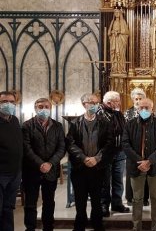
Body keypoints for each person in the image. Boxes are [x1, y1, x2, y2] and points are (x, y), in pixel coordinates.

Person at [66, 93, 113, 231]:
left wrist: (96, 158)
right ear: (84, 104)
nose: (94, 105)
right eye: (90, 102)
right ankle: (80, 226)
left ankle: (97, 225)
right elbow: (70, 144)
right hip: (80, 167)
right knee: (80, 200)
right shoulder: (75, 123)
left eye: (96, 102)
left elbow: (109, 144)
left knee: (97, 200)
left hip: (97, 168)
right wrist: (83, 157)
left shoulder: (105, 122)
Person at [122, 98, 156, 231]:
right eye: (141, 107)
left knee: (155, 198)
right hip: (136, 167)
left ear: (152, 109)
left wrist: (150, 160)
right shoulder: (129, 124)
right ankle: (136, 226)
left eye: (147, 107)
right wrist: (139, 161)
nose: (144, 110)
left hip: (155, 167)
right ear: (137, 108)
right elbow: (125, 144)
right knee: (137, 198)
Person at [22, 98, 66, 231]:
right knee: (30, 203)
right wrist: (41, 164)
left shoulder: (58, 126)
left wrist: (50, 163)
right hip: (32, 170)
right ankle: (30, 228)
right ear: (35, 108)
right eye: (40, 106)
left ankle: (48, 227)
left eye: (46, 106)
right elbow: (26, 148)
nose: (43, 109)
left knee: (49, 203)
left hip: (50, 171)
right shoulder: (27, 125)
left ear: (50, 108)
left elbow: (62, 147)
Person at [98, 91, 130, 217]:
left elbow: (124, 129)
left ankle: (117, 203)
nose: (119, 103)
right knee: (105, 181)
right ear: (109, 102)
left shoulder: (118, 113)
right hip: (106, 153)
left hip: (120, 152)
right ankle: (104, 205)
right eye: (117, 101)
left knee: (118, 180)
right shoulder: (100, 113)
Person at [0, 91, 23, 231]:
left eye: (12, 102)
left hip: (14, 173)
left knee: (8, 208)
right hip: (1, 173)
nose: (8, 104)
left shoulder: (14, 120)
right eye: (4, 102)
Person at [124, 87, 148, 206]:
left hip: (145, 148)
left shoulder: (146, 112)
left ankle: (144, 198)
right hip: (132, 149)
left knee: (145, 173)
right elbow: (125, 132)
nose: (138, 101)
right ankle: (130, 197)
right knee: (131, 173)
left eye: (140, 98)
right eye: (136, 99)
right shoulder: (128, 113)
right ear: (133, 99)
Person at [108, 9, 129, 74]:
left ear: (120, 13)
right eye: (115, 12)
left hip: (120, 41)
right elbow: (109, 33)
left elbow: (127, 33)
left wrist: (119, 32)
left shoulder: (123, 22)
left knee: (120, 54)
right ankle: (115, 69)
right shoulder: (113, 22)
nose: (116, 13)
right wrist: (113, 32)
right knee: (114, 54)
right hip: (114, 40)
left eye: (117, 12)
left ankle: (121, 68)